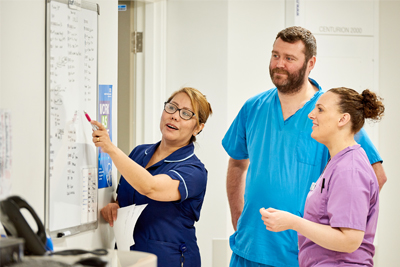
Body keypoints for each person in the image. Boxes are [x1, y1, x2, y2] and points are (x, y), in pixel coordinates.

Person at [222, 26, 387, 267]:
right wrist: (240, 221)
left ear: (311, 63)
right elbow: (237, 163)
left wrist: (336, 234)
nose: (279, 64)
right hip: (249, 249)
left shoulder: (331, 117)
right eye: (275, 55)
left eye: (289, 58)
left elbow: (375, 176)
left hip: (300, 255)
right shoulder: (253, 107)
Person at [260, 87, 384, 266]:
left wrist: (293, 222)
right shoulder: (338, 162)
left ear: (343, 119)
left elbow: (350, 240)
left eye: (320, 109)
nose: (311, 115)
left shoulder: (350, 169)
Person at [91, 87, 212, 267]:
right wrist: (115, 206)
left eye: (186, 114)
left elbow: (150, 187)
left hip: (170, 261)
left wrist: (110, 149)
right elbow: (126, 197)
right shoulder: (139, 153)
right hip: (130, 258)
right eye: (172, 107)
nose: (175, 116)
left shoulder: (193, 171)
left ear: (198, 128)